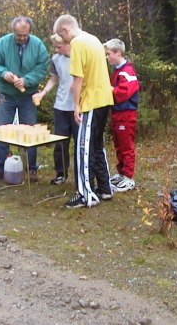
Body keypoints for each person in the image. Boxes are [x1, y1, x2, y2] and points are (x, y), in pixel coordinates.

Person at [53, 14, 114, 208]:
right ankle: (104, 188)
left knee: (83, 148)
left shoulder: (78, 43)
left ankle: (85, 194)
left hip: (92, 102)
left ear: (65, 29)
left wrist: (77, 105)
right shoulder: (93, 39)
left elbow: (77, 78)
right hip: (104, 99)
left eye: (61, 36)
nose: (62, 41)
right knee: (96, 146)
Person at [0, 16, 49, 182]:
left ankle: (31, 168)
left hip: (28, 96)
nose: (22, 38)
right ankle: (0, 167)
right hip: (6, 95)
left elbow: (42, 67)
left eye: (25, 35)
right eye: (18, 35)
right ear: (13, 31)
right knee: (2, 131)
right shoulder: (2, 44)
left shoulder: (37, 45)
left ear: (29, 31)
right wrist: (3, 73)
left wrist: (27, 80)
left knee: (30, 132)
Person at [32, 34, 78, 185]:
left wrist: (80, 85)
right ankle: (61, 173)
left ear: (68, 44)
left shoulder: (80, 56)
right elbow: (53, 78)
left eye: (59, 46)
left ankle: (81, 176)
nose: (56, 50)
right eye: (55, 47)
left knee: (79, 143)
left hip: (78, 106)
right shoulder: (56, 59)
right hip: (61, 105)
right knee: (60, 142)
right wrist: (43, 92)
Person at [104, 38, 140, 193]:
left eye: (108, 54)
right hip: (117, 113)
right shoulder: (118, 70)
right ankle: (121, 173)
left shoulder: (127, 71)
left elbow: (124, 92)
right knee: (119, 145)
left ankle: (128, 177)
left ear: (118, 53)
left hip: (126, 114)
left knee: (126, 146)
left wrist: (110, 90)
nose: (107, 57)